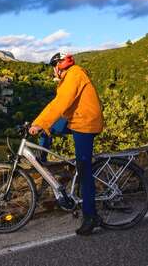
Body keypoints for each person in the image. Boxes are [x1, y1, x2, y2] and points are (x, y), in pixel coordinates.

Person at [29, 52, 104, 236]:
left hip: (85, 124)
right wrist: (39, 123)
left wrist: (39, 123)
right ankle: (42, 159)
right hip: (75, 120)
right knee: (49, 128)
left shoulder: (75, 74)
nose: (53, 72)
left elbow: (61, 103)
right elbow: (58, 104)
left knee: (84, 169)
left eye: (54, 67)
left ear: (58, 65)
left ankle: (90, 217)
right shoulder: (69, 77)